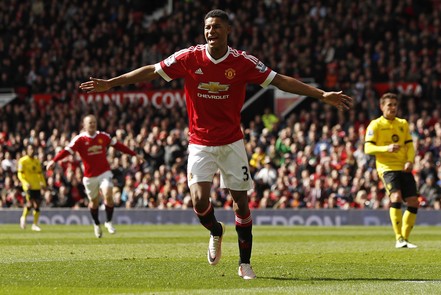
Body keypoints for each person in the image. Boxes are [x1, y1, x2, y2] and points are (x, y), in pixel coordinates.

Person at [79, 9, 352, 279]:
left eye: (217, 27)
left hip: (232, 142)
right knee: (199, 202)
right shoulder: (189, 57)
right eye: (208, 27)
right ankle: (216, 231)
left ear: (228, 31)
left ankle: (245, 264)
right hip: (200, 142)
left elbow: (279, 80)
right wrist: (112, 83)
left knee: (241, 206)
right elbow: (152, 70)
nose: (211, 32)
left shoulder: (243, 62)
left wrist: (321, 95)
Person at [46, 114, 142, 238]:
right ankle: (96, 224)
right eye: (90, 122)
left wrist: (134, 154)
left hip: (104, 172)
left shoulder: (103, 136)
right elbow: (66, 151)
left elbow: (118, 145)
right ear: (84, 125)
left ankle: (108, 222)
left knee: (108, 194)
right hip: (89, 177)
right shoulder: (79, 140)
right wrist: (54, 160)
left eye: (94, 122)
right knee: (94, 202)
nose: (92, 124)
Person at [364, 92, 419, 249]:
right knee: (395, 196)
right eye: (389, 105)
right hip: (387, 168)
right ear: (382, 106)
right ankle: (399, 238)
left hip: (404, 166)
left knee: (414, 201)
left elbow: (409, 145)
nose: (393, 108)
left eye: (395, 105)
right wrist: (386, 148)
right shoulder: (375, 125)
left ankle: (405, 239)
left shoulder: (403, 123)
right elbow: (367, 148)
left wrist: (410, 161)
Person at [18, 144, 47, 231]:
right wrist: (25, 182)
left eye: (33, 149)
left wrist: (43, 183)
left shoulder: (37, 161)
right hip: (28, 186)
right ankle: (23, 218)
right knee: (30, 203)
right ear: (27, 150)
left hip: (36, 186)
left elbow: (40, 174)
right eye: (30, 149)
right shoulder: (23, 161)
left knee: (37, 205)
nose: (32, 151)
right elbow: (19, 174)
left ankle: (35, 224)